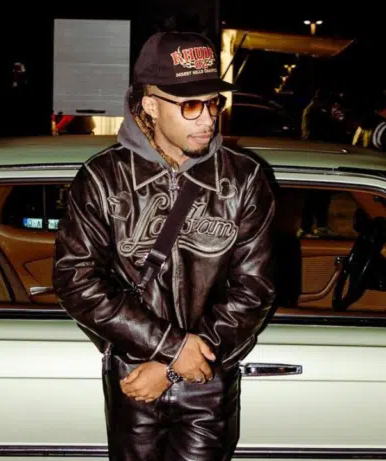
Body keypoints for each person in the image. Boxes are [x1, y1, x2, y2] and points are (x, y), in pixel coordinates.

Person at [52, 31, 276, 461]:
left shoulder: (243, 179)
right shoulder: (102, 179)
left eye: (213, 103)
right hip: (133, 374)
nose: (208, 120)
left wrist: (175, 364)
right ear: (150, 105)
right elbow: (76, 280)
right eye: (191, 105)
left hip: (208, 377)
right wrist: (169, 348)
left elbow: (254, 289)